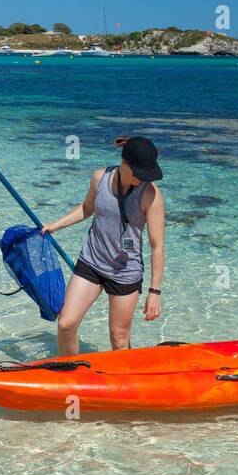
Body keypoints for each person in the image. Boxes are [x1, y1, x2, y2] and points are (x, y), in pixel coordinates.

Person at [40, 136, 165, 355]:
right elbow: (87, 208)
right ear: (124, 163)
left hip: (125, 273)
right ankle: (69, 376)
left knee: (119, 340)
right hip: (91, 263)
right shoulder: (100, 177)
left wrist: (154, 292)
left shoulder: (150, 195)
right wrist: (55, 225)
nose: (141, 179)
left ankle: (123, 385)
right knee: (66, 325)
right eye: (139, 174)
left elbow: (157, 246)